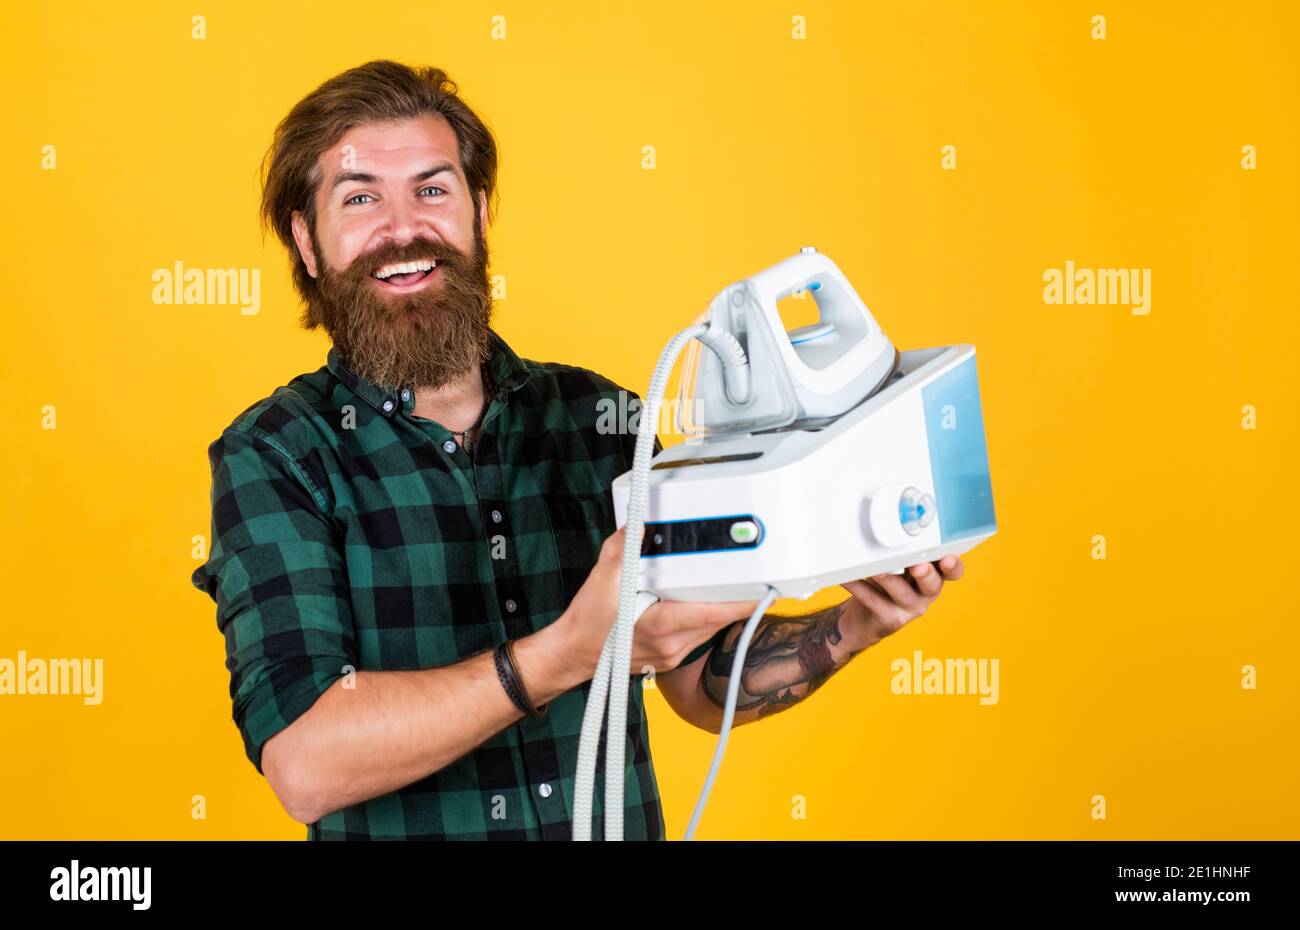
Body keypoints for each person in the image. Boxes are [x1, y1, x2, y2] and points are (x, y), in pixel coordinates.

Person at [190, 60, 965, 840]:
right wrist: (566, 653)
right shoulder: (278, 455)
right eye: (360, 198)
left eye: (433, 189)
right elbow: (306, 763)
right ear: (308, 242)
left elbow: (697, 680)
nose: (404, 228)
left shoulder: (604, 418)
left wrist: (858, 625)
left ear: (479, 213)